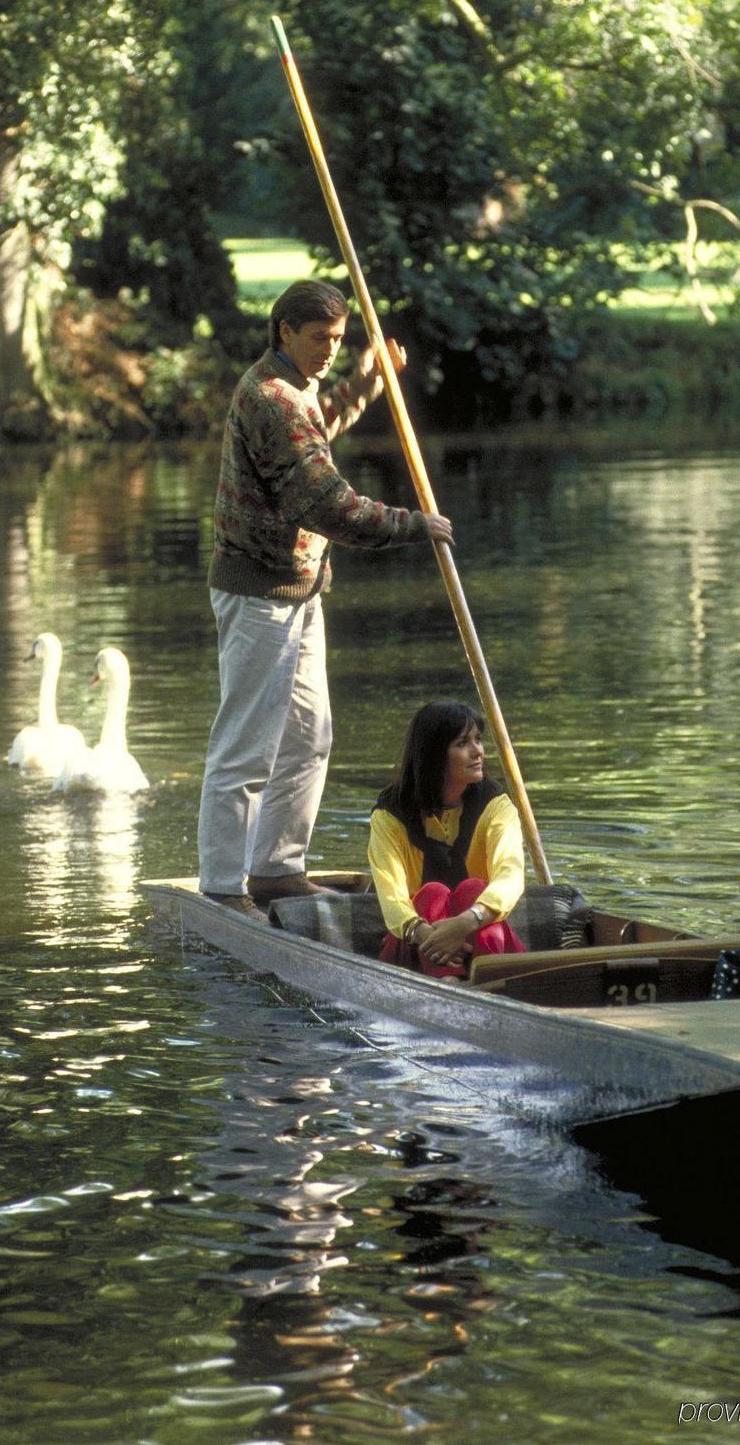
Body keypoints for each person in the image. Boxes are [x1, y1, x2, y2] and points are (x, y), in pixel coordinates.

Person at [198, 279, 454, 917]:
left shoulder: (296, 391)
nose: (329, 352)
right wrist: (410, 524)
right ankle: (224, 888)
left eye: (338, 341)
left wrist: (365, 385)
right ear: (284, 330)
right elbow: (322, 500)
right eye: (319, 339)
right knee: (247, 745)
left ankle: (278, 871)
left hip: (301, 589)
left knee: (309, 737)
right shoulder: (269, 397)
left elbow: (318, 428)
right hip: (260, 592)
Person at [368, 701, 526, 976]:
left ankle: (488, 982)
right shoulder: (390, 814)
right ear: (434, 755)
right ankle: (449, 985)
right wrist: (433, 937)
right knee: (432, 894)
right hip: (417, 944)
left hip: (484, 942)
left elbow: (510, 877)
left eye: (478, 740)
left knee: (474, 889)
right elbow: (392, 898)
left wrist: (465, 922)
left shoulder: (497, 806)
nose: (478, 752)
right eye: (463, 743)